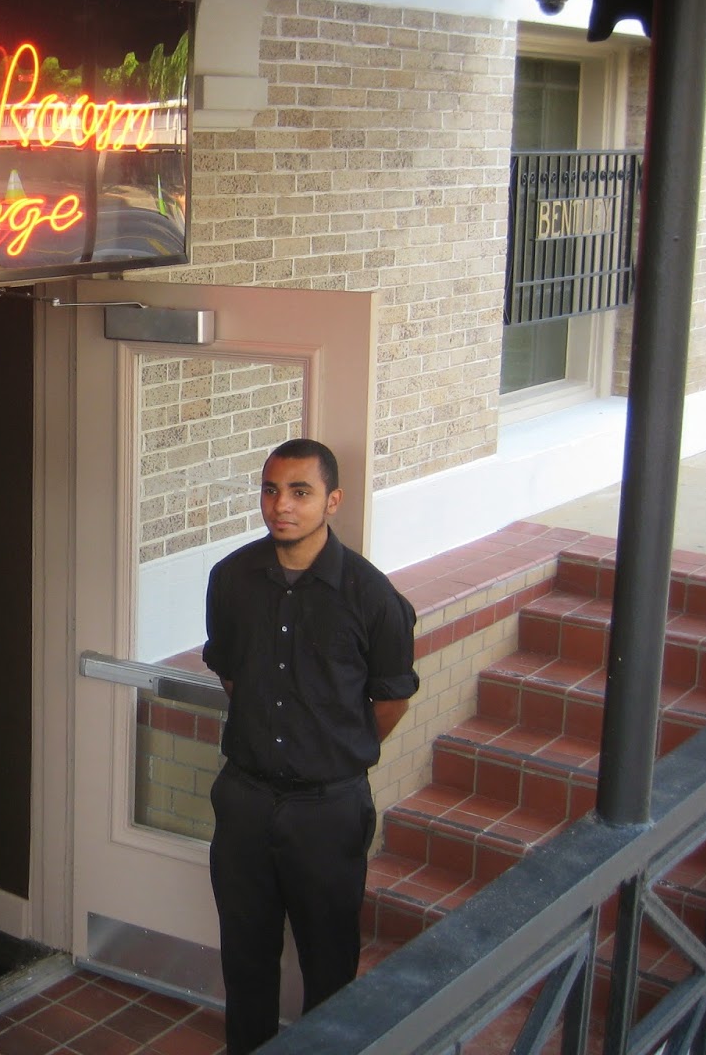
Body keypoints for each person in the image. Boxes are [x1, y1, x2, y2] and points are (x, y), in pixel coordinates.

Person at [203, 438, 419, 1054]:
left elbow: (390, 700)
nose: (281, 506)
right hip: (245, 800)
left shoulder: (373, 597)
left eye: (300, 492)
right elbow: (233, 673)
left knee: (330, 967)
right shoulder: (231, 579)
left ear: (333, 501)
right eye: (271, 490)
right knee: (246, 961)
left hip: (327, 810)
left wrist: (331, 750)